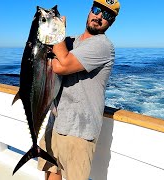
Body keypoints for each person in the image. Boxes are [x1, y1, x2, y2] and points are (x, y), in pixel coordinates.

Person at [37, 0, 121, 179]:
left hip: (80, 131)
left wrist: (57, 30)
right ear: (90, 10)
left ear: (111, 22)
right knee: (51, 174)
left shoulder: (103, 46)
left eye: (106, 15)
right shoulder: (70, 41)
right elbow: (41, 53)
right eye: (97, 10)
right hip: (56, 123)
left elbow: (62, 65)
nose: (99, 17)